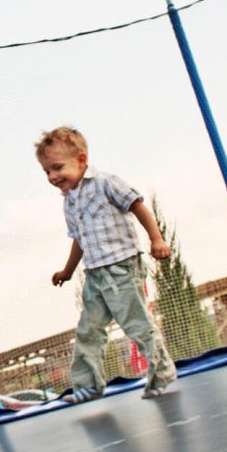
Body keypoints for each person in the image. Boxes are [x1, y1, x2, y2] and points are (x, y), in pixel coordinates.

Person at [36, 126, 180, 402]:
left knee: (136, 323)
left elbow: (136, 204)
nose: (53, 177)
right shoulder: (69, 203)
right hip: (95, 275)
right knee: (88, 330)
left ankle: (162, 371)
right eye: (47, 172)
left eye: (57, 168)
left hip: (122, 267)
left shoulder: (105, 183)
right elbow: (79, 239)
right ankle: (88, 386)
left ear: (81, 160)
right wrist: (67, 271)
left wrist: (157, 239)